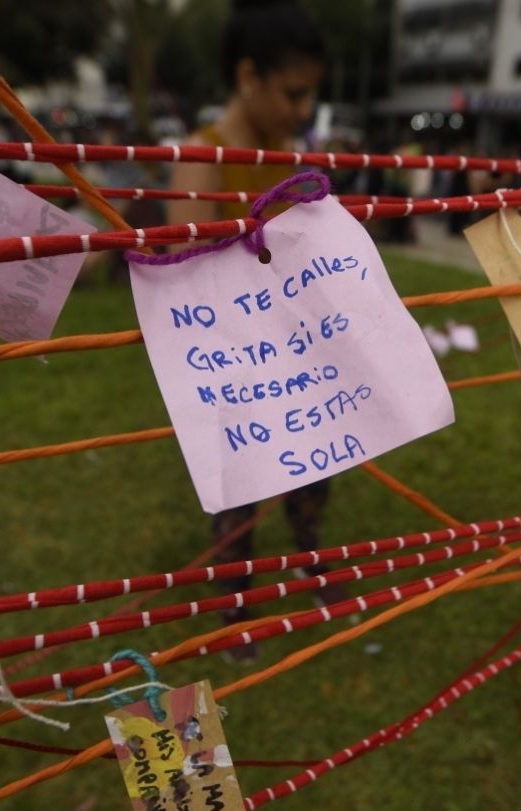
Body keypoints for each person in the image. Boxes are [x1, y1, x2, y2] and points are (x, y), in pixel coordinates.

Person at [164, 0, 337, 663]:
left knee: (317, 467)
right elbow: (185, 279)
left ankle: (310, 551)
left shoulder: (289, 161)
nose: (303, 110)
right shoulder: (203, 160)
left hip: (296, 352)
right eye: (293, 93)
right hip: (233, 364)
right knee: (239, 487)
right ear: (248, 77)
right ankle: (234, 598)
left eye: (309, 94)